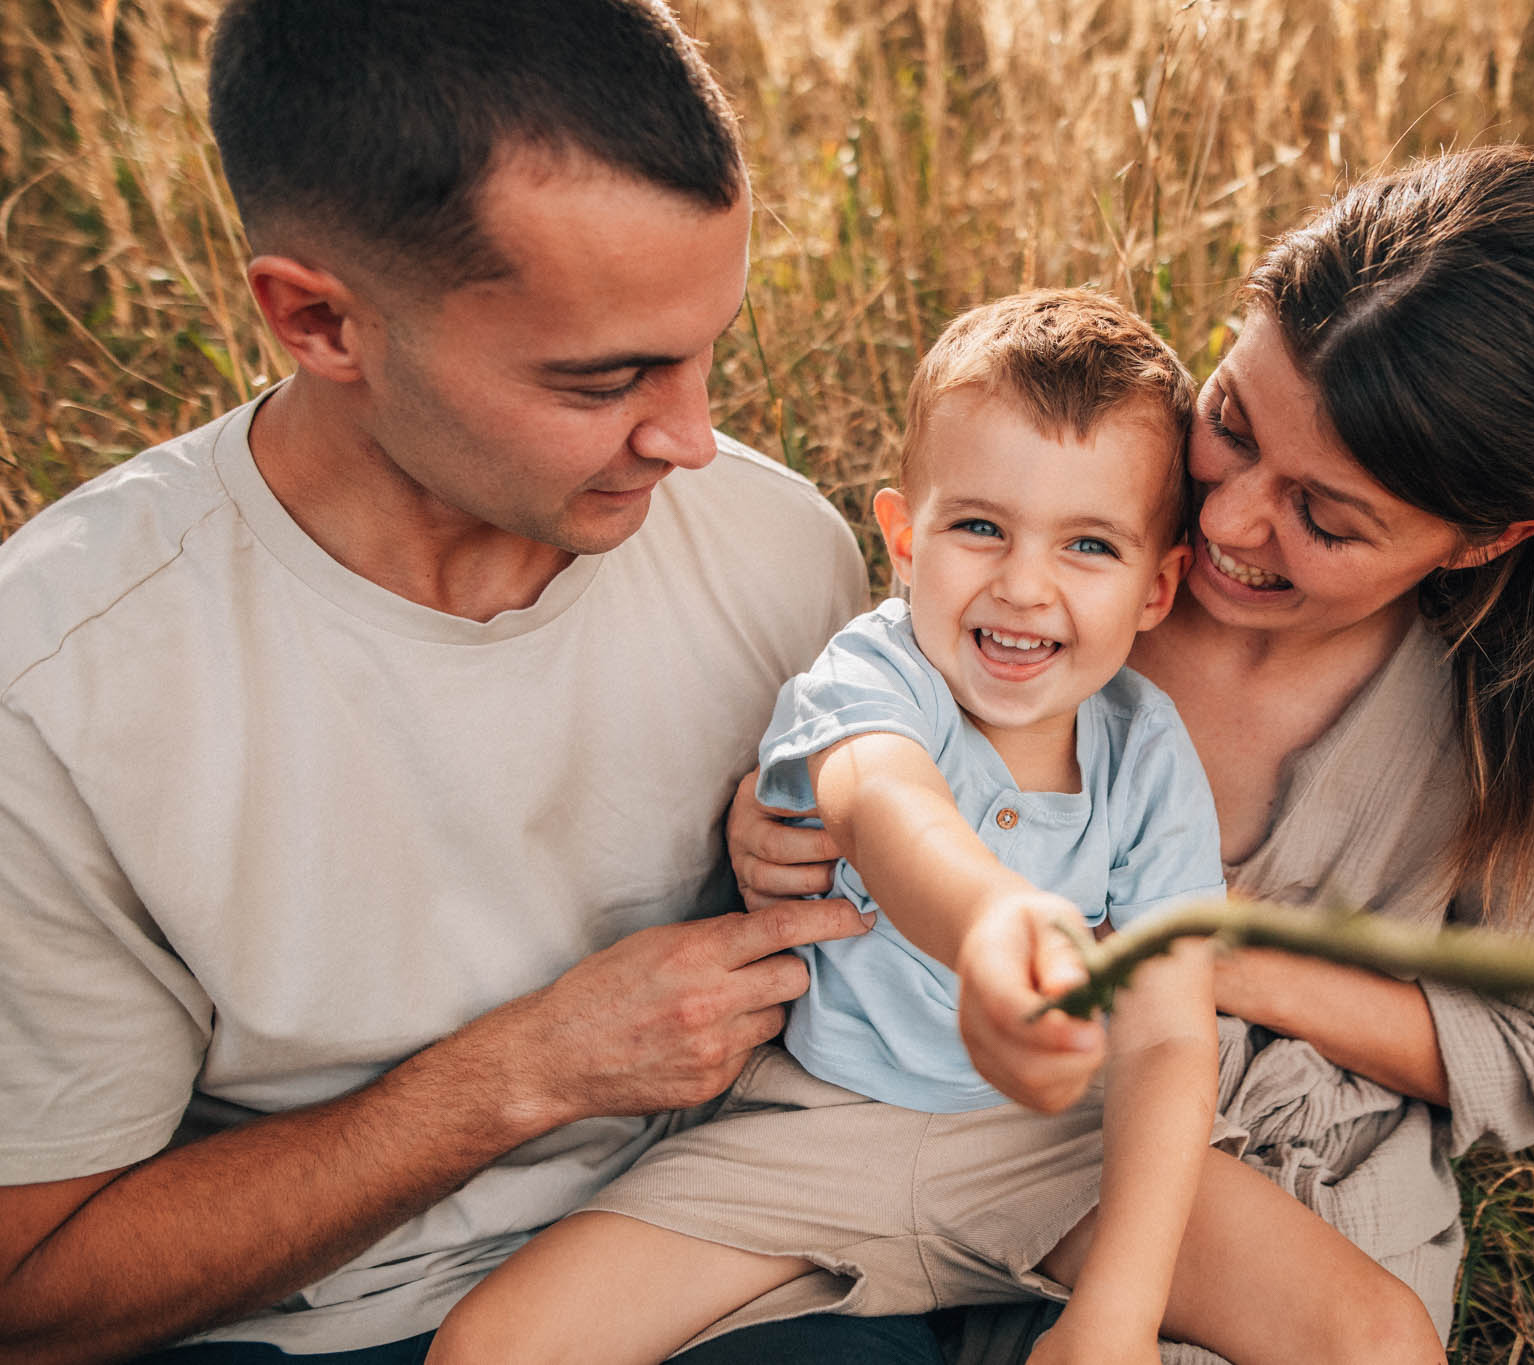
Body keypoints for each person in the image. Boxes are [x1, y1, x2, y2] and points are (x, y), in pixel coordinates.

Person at [0, 3, 946, 1361]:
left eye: (707, 349)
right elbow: (30, 1294)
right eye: (605, 379)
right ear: (318, 321)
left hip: (732, 1262)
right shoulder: (58, 686)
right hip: (306, 1333)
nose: (689, 436)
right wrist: (525, 1076)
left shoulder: (776, 545)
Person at [730, 146, 1534, 1357]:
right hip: (922, 1124)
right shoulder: (1072, 544)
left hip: (1292, 1196)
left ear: (1483, 543)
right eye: (1230, 420)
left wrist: (1219, 960)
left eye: (1324, 518)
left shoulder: (1531, 725)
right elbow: (881, 740)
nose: (1225, 520)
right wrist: (781, 820)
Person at [427, 289, 1443, 1365]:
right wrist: (992, 921)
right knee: (492, 1345)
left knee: (1377, 1336)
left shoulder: (1145, 750)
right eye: (978, 528)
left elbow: (1167, 1034)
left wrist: (1116, 1313)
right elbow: (881, 802)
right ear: (904, 537)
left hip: (1053, 1146)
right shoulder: (870, 677)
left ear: (1158, 588)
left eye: (1088, 546)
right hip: (811, 1132)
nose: (1021, 586)